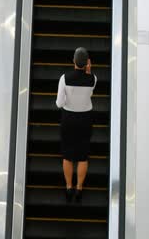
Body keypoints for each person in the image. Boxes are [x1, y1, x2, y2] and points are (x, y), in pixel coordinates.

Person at [56, 47, 97, 203]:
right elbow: (90, 93)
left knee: (67, 155)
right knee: (83, 155)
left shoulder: (64, 78)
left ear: (73, 61)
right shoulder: (93, 79)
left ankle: (68, 186)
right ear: (87, 63)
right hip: (86, 118)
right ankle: (79, 188)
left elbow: (59, 103)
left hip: (69, 118)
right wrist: (89, 70)